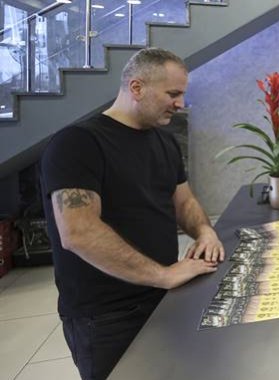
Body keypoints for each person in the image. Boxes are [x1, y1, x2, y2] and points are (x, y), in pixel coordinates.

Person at [40, 47, 224, 380]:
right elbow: (79, 233)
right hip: (107, 315)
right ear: (136, 88)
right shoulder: (78, 143)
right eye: (173, 93)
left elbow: (183, 202)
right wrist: (164, 275)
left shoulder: (165, 142)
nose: (180, 103)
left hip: (162, 296)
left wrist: (205, 232)